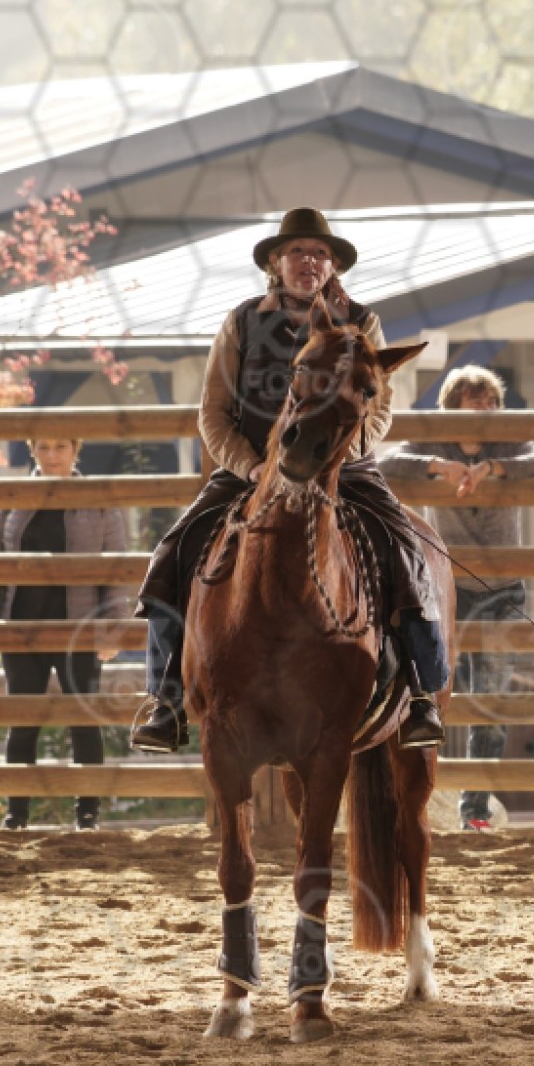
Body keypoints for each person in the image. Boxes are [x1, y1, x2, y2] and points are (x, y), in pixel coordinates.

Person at [130, 207, 447, 754]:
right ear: (275, 263)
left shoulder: (364, 322)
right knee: (172, 554)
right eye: (298, 251)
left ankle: (422, 694)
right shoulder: (240, 322)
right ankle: (165, 700)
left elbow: (378, 412)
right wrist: (253, 468)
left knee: (408, 552)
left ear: (332, 266)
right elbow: (213, 413)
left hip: (343, 470)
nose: (310, 261)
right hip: (251, 472)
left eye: (320, 253)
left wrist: (339, 457)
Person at [380, 366, 534, 831]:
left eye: (491, 402)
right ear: (451, 407)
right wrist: (440, 466)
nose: (485, 410)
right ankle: (414, 798)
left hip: (502, 587)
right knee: (428, 692)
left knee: (491, 701)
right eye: (475, 402)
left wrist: (492, 469)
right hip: (446, 589)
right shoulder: (433, 440)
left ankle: (474, 810)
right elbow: (386, 464)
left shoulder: (508, 442)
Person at [0, 437, 133, 831]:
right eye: (44, 447)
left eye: (60, 447)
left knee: (84, 720)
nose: (52, 455)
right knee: (23, 721)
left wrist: (113, 629)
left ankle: (87, 814)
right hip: (21, 628)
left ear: (76, 450)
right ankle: (17, 814)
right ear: (32, 451)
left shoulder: (99, 500)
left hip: (79, 628)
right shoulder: (15, 497)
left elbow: (116, 570)